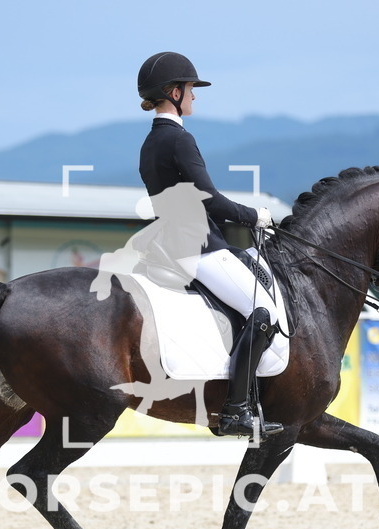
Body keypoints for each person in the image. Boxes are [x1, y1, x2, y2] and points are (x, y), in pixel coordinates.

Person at [136, 51, 282, 438]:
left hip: (171, 244)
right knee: (264, 311)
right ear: (173, 91)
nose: (195, 97)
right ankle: (235, 409)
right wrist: (256, 216)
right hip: (198, 248)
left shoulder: (150, 143)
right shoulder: (179, 140)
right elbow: (211, 200)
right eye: (190, 89)